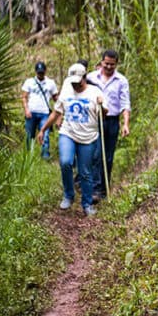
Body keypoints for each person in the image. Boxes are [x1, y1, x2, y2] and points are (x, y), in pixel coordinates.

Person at [37, 63, 106, 216]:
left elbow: (104, 115)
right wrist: (43, 129)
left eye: (78, 82)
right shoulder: (67, 89)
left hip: (88, 136)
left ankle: (87, 204)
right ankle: (69, 195)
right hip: (68, 132)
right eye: (73, 82)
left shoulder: (95, 92)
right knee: (65, 162)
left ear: (84, 77)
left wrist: (102, 105)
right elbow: (56, 112)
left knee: (85, 172)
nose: (75, 85)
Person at [90, 49, 131, 202]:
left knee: (107, 157)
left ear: (116, 64)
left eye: (112, 64)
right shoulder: (91, 78)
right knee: (96, 154)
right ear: (101, 62)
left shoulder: (121, 81)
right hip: (95, 120)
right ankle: (95, 189)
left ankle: (103, 189)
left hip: (112, 121)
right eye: (106, 63)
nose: (108, 67)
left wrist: (125, 124)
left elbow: (125, 104)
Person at [20, 61, 58, 159]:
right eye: (39, 72)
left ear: (45, 71)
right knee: (29, 135)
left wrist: (58, 111)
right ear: (36, 72)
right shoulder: (29, 82)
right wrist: (26, 109)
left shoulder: (50, 83)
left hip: (44, 113)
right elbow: (24, 97)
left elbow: (55, 97)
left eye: (42, 72)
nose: (40, 74)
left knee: (45, 135)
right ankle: (28, 155)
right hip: (31, 112)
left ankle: (45, 155)